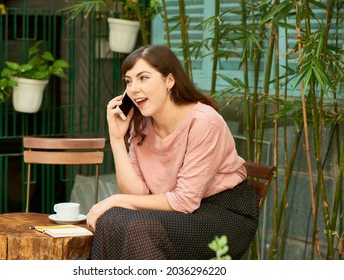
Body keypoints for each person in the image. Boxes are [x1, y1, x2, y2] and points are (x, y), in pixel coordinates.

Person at [86, 45, 260, 260]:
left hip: (222, 213)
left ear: (169, 80)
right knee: (110, 220)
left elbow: (184, 201)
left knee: (138, 227)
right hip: (175, 212)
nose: (133, 89)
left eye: (143, 78)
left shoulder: (204, 122)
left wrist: (113, 199)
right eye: (128, 81)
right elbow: (136, 196)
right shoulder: (140, 125)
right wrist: (116, 139)